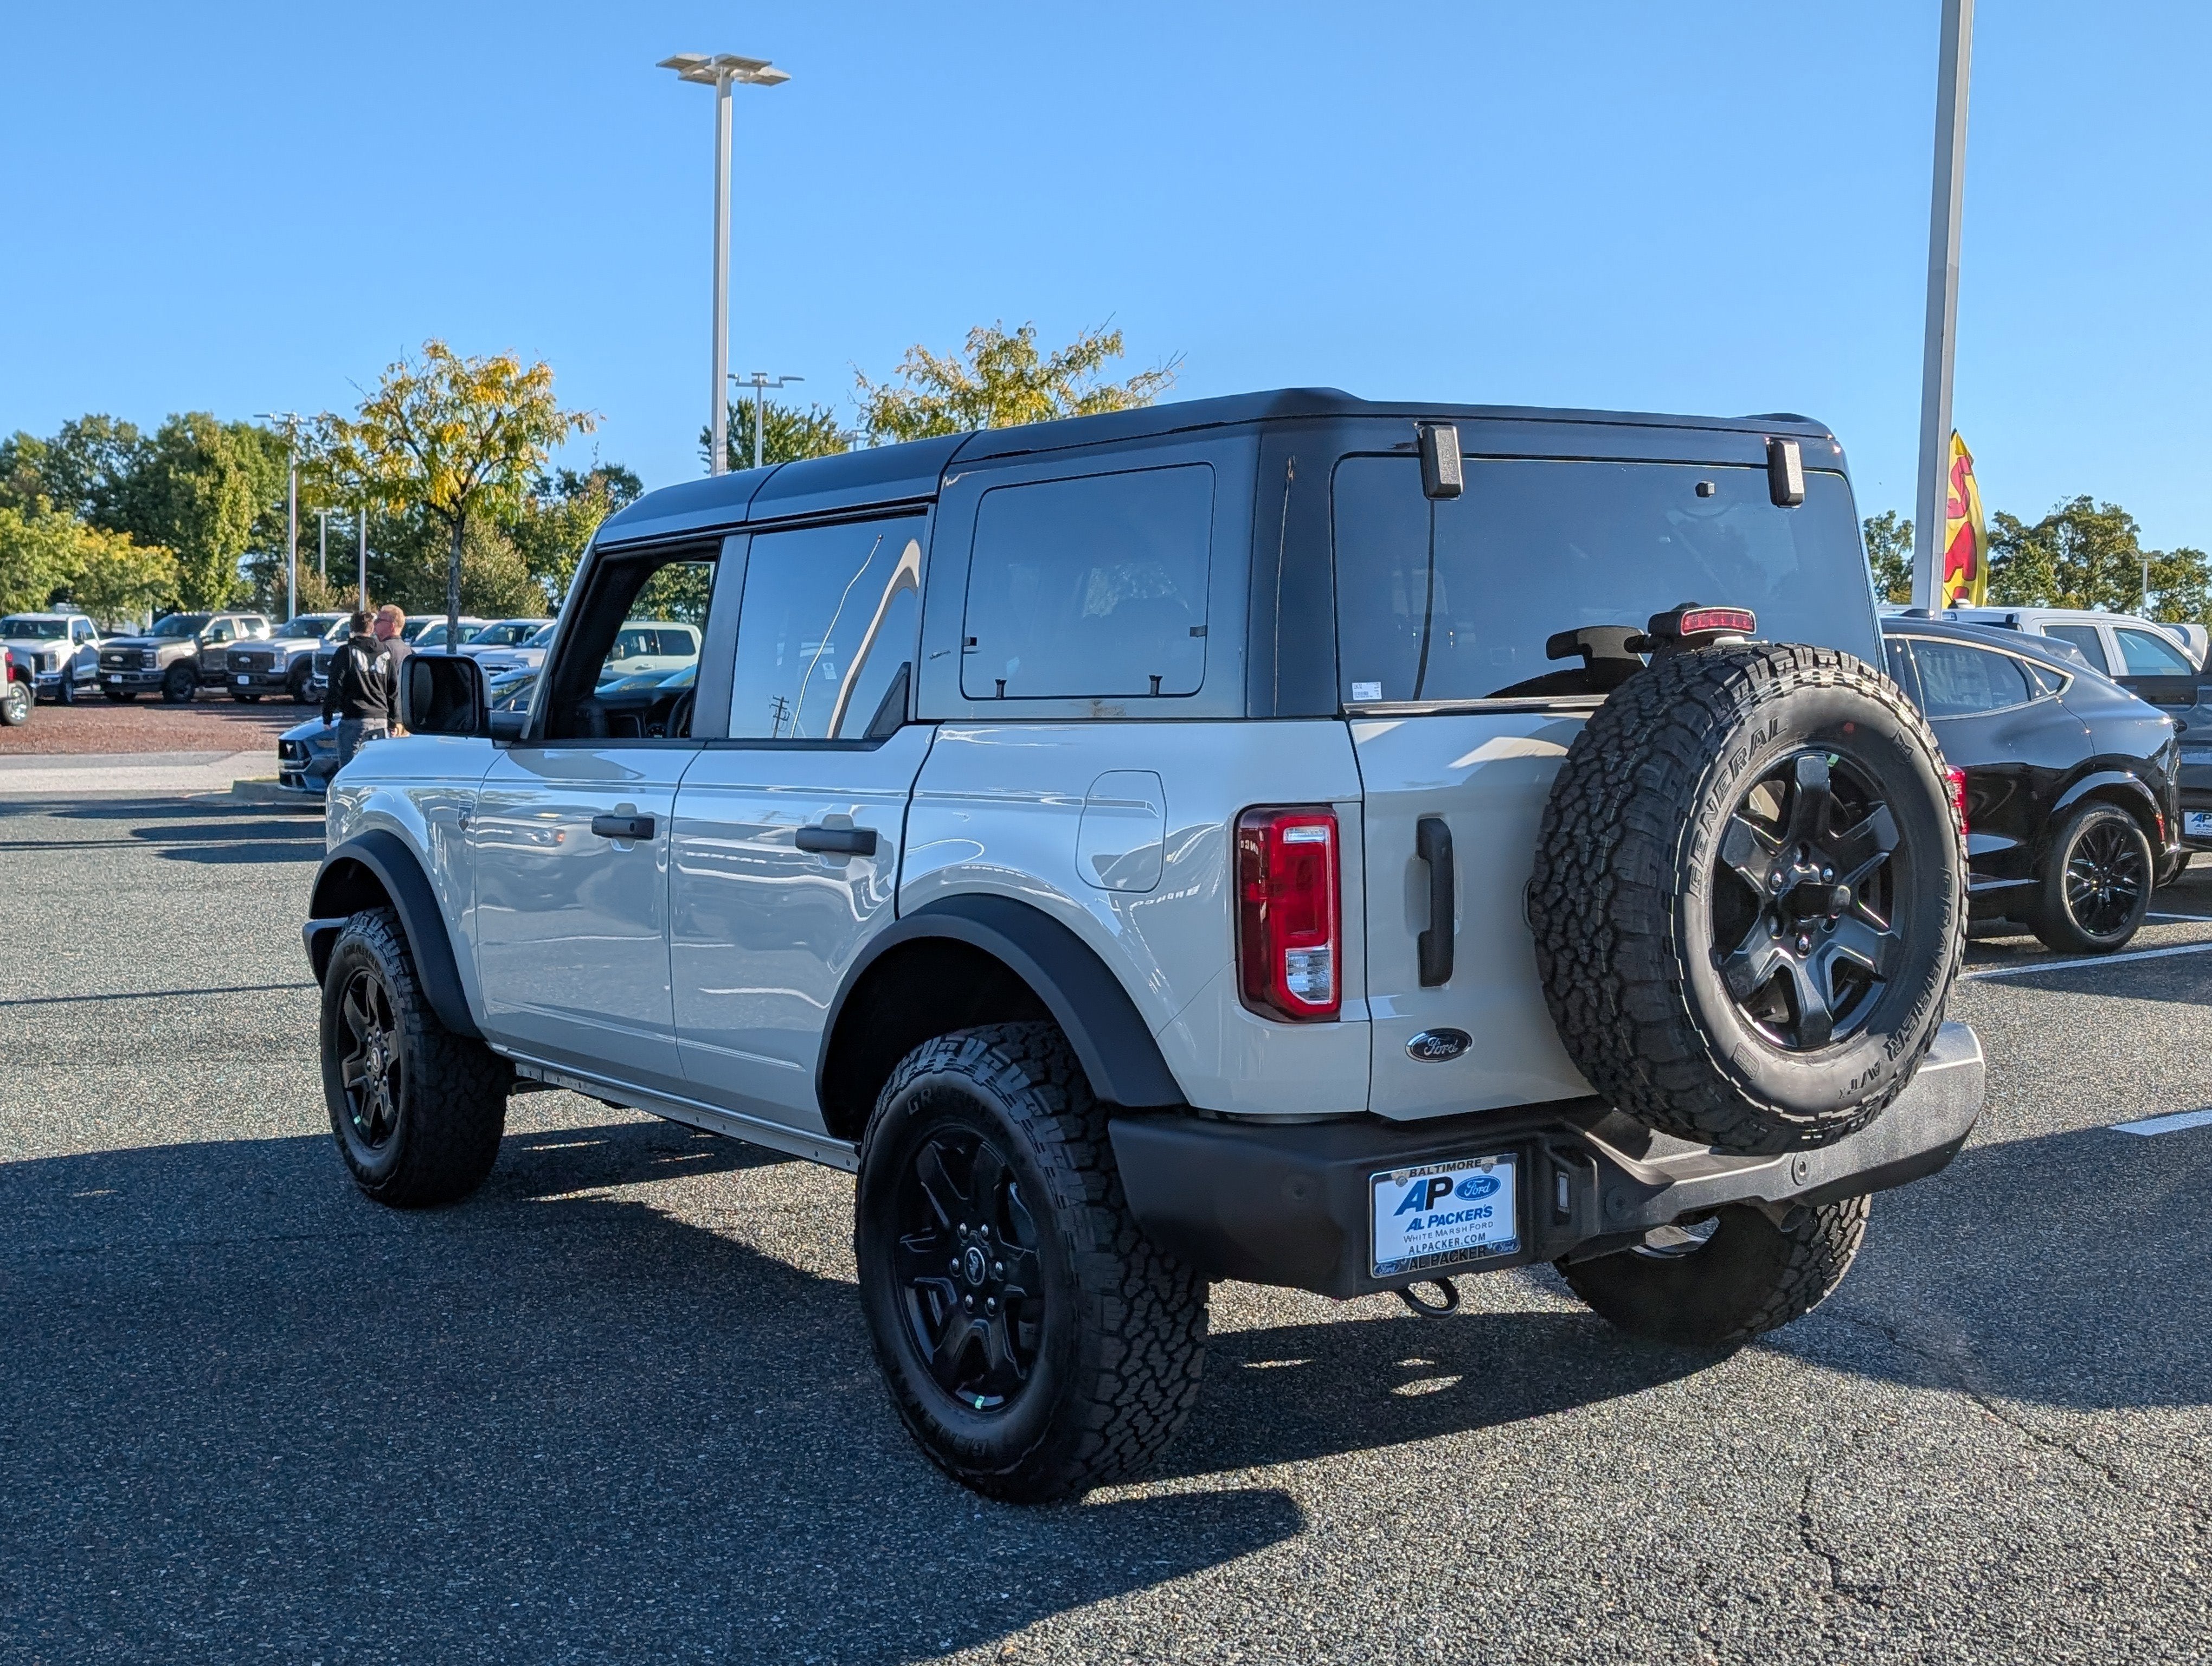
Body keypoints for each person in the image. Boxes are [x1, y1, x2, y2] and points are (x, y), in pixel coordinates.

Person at [323, 611, 396, 768]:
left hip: (355, 718)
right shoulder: (385, 652)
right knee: (377, 769)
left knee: (350, 770)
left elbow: (336, 685)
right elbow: (393, 688)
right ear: (372, 628)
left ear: (351, 627)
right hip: (381, 718)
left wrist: (327, 714)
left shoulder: (346, 652)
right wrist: (393, 720)